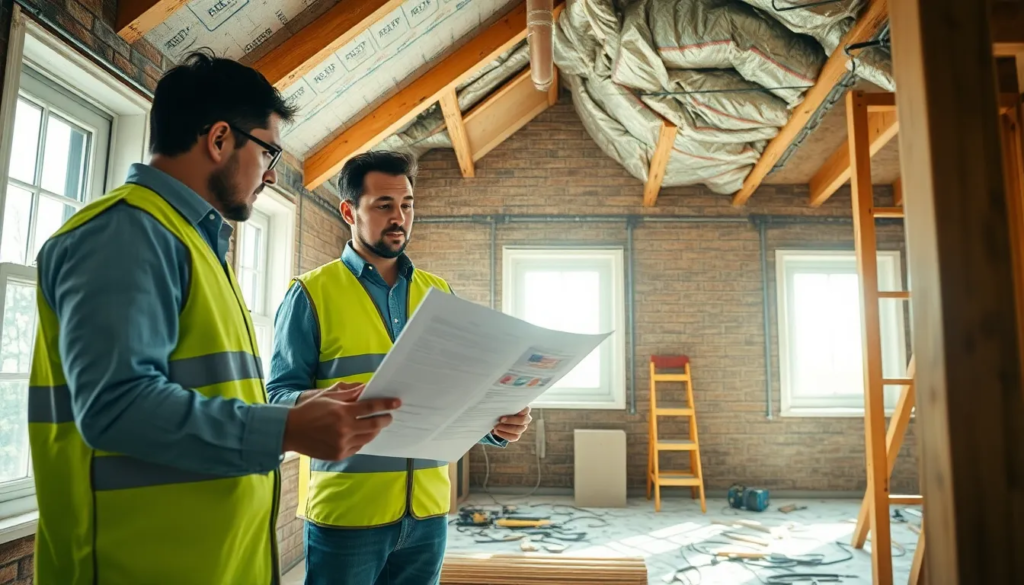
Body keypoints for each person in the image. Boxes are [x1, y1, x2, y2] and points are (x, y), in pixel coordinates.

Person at [27, 51, 399, 585]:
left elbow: (206, 392)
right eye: (268, 152)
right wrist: (286, 427)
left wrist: (299, 408)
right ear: (220, 139)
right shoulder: (126, 233)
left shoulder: (193, 243)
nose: (271, 174)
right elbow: (117, 407)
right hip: (133, 569)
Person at [266, 150, 533, 585]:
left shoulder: (438, 292)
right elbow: (277, 397)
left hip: (427, 513)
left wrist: (494, 424)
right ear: (349, 211)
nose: (399, 218)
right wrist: (327, 403)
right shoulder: (310, 293)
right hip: (348, 512)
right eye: (384, 205)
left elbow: (457, 390)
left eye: (407, 204)